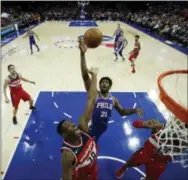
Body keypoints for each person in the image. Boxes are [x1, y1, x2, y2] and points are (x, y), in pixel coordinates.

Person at [79, 39, 143, 143]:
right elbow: (85, 76)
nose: (104, 83)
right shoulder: (95, 94)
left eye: (107, 82)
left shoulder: (113, 100)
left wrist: (135, 110)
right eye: (102, 82)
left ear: (110, 86)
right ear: (99, 85)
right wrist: (82, 55)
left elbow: (122, 112)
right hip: (89, 128)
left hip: (102, 129)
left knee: (92, 144)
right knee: (84, 146)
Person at [57, 67, 98, 180]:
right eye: (69, 126)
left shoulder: (82, 127)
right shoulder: (67, 155)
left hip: (93, 171)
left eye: (71, 123)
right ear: (65, 135)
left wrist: (94, 75)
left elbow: (91, 99)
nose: (73, 125)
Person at [116, 119, 188, 180]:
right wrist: (144, 124)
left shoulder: (184, 143)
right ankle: (124, 167)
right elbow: (135, 123)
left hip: (159, 163)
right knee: (130, 163)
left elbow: (174, 156)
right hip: (145, 153)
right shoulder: (160, 127)